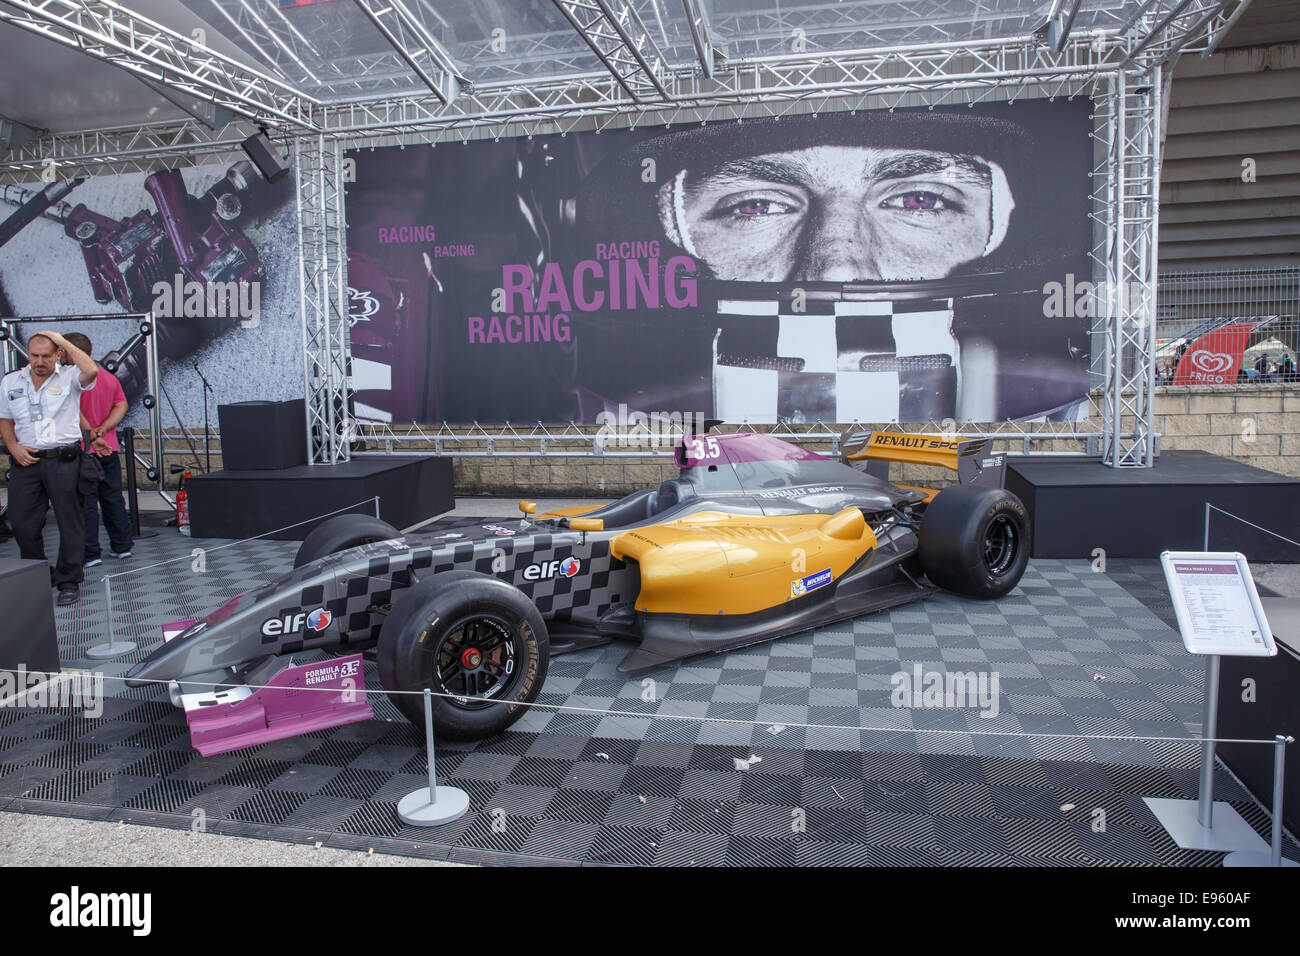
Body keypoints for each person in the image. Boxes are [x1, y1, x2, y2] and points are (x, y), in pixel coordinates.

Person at [0, 330, 98, 605]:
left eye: (45, 355)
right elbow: (5, 420)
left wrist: (63, 340)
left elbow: (91, 370)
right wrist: (13, 447)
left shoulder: (69, 376)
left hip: (63, 460)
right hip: (26, 460)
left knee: (70, 522)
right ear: (27, 355)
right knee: (20, 522)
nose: (39, 361)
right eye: (34, 355)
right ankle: (39, 570)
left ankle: (69, 580)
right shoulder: (10, 381)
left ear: (57, 355)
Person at [63, 332, 133, 568]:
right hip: (109, 446)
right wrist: (104, 428)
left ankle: (90, 554)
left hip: (83, 449)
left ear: (69, 353)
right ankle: (122, 546)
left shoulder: (70, 378)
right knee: (113, 497)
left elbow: (73, 410)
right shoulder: (107, 377)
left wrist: (92, 435)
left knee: (86, 502)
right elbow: (121, 404)